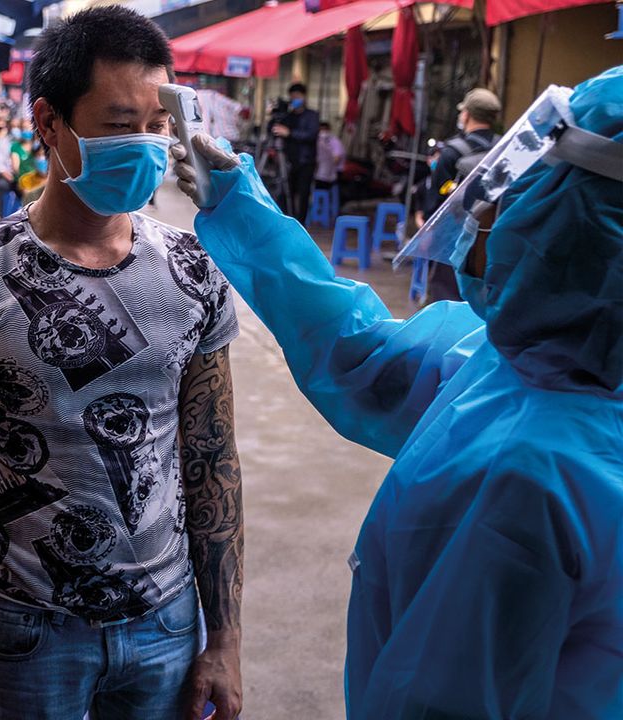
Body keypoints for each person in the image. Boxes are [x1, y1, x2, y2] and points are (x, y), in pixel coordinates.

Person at [170, 67, 623, 718]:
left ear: (573, 226)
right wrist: (239, 202)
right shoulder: (518, 364)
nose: (493, 209)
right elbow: (362, 354)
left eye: (527, 184)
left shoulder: (539, 477)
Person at [0, 7, 244, 720]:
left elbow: (212, 460)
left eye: (158, 126)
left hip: (167, 622)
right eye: (121, 126)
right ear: (47, 123)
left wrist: (225, 638)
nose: (148, 147)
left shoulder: (193, 270)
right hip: (24, 630)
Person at [415, 88, 500, 302]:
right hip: (495, 235)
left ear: (467, 115)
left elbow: (438, 201)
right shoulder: (504, 147)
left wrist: (425, 227)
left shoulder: (451, 152)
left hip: (453, 237)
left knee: (446, 296)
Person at [271, 82, 320, 221]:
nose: (295, 99)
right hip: (288, 161)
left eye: (297, 96)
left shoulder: (312, 116)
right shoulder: (288, 116)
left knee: (303, 194)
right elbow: (273, 130)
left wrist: (290, 133)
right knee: (286, 194)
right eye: (292, 97)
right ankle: (287, 220)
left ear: (304, 96)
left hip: (306, 161)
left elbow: (311, 135)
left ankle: (301, 223)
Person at [0, 121, 16, 216]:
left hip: (23, 178)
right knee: (1, 186)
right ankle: (2, 215)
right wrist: (7, 175)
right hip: (7, 175)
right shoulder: (3, 142)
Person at [313, 121, 344, 196]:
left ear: (329, 130)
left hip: (334, 171)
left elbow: (336, 159)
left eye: (324, 129)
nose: (322, 132)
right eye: (321, 130)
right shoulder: (319, 141)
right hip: (321, 172)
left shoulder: (334, 141)